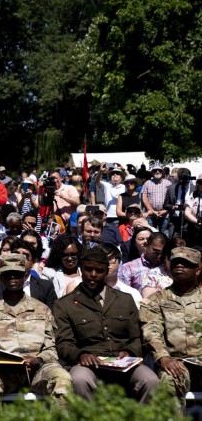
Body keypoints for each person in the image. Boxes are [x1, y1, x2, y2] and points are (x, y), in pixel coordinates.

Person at [53, 247, 159, 402]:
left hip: (123, 362)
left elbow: (137, 337)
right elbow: (63, 343)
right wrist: (81, 355)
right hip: (87, 364)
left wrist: (129, 352)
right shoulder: (64, 304)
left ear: (106, 271)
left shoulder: (125, 299)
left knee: (150, 380)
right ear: (81, 269)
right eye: (88, 269)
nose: (93, 275)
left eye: (99, 270)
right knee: (80, 380)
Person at [0, 253, 72, 404]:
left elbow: (51, 348)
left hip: (37, 370)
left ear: (26, 276)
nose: (12, 278)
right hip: (2, 372)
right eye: (7, 274)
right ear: (1, 277)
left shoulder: (42, 309)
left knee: (62, 379)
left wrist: (38, 360)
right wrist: (2, 361)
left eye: (17, 274)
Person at [140, 246, 202, 405]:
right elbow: (151, 332)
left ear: (197, 269)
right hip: (176, 361)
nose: (179, 266)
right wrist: (163, 357)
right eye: (175, 263)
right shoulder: (156, 300)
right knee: (170, 381)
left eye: (185, 263)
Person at [0, 239, 57, 309]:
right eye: (16, 254)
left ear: (33, 261)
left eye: (25, 255)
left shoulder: (45, 287)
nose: (20, 258)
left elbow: (52, 315)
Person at [142, 164, 171, 232]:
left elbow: (172, 198)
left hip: (165, 214)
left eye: (159, 170)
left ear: (163, 172)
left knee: (164, 234)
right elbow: (144, 197)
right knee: (151, 234)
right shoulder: (147, 183)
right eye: (155, 170)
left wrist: (165, 210)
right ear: (152, 172)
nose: (157, 172)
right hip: (151, 214)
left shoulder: (168, 183)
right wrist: (151, 210)